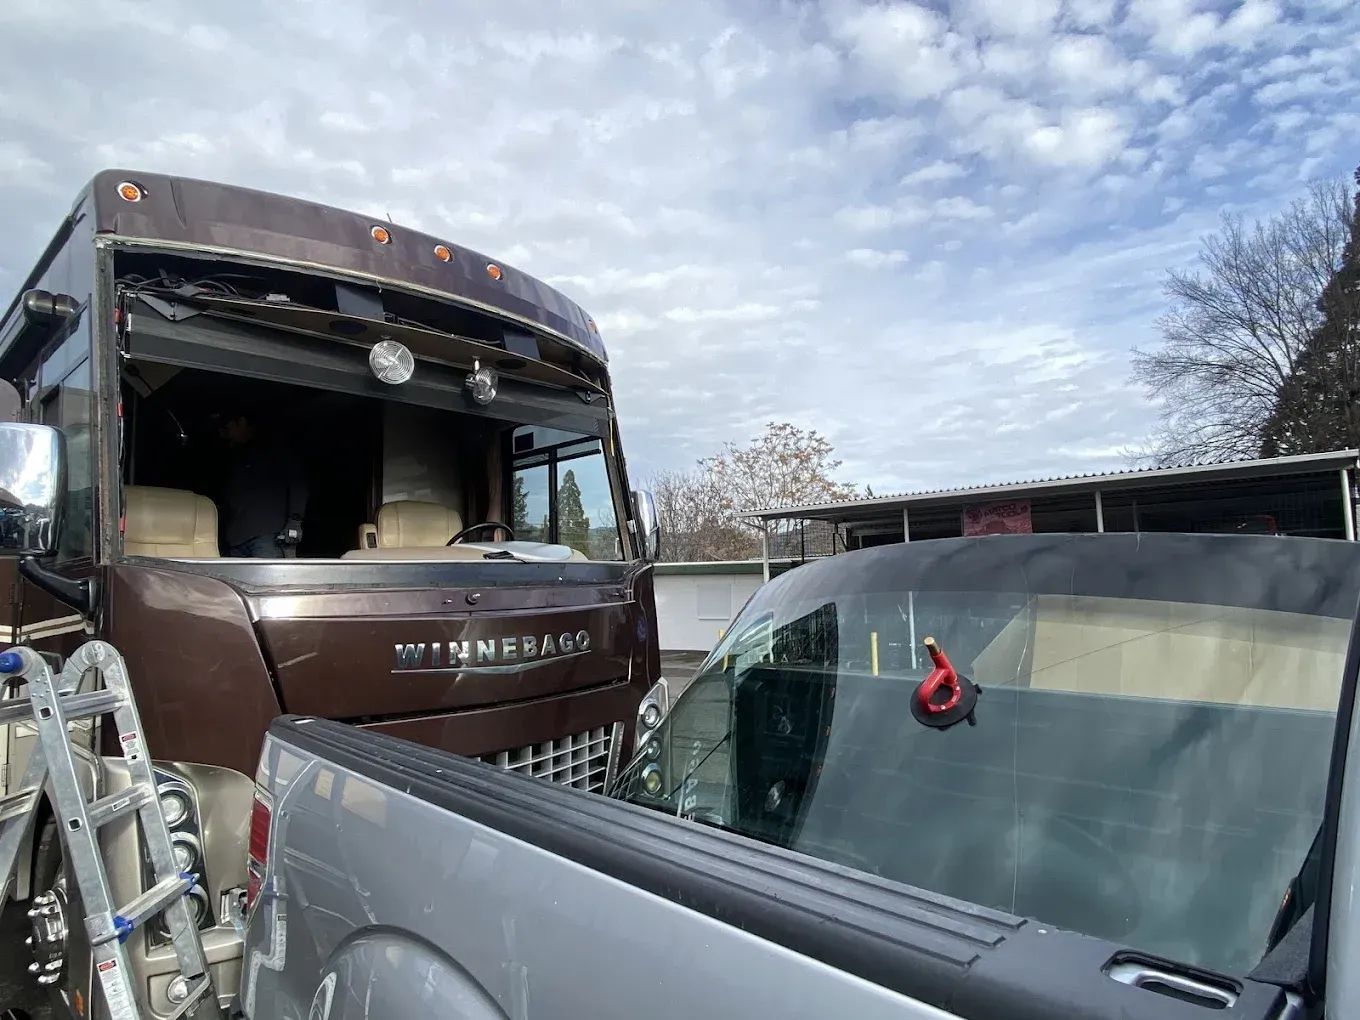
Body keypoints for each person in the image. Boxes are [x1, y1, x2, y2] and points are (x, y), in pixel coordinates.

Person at [218, 412, 309, 558]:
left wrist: (295, 519)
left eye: (227, 430)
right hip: (235, 539)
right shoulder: (236, 456)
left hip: (267, 536)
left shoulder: (275, 447)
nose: (224, 436)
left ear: (242, 422)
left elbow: (297, 482)